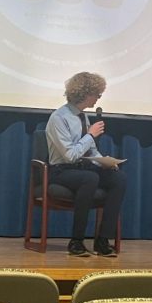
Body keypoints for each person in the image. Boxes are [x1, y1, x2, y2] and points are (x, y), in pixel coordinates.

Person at [45, 71, 126, 257]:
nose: (98, 98)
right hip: (61, 170)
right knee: (89, 178)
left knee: (118, 178)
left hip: (82, 168)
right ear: (85, 93)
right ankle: (77, 241)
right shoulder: (59, 118)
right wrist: (90, 135)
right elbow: (70, 155)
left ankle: (103, 240)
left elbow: (90, 150)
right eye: (97, 94)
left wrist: (103, 162)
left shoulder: (83, 116)